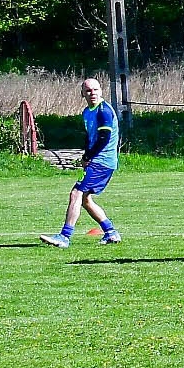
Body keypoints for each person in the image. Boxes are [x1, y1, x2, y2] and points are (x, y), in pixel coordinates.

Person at [41, 77, 121, 248]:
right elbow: (90, 136)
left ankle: (64, 237)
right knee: (85, 199)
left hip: (102, 161)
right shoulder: (87, 111)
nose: (92, 93)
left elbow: (104, 137)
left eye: (95, 90)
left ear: (101, 91)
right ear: (82, 93)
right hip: (97, 160)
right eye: (88, 90)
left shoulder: (104, 111)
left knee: (76, 193)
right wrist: (86, 155)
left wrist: (88, 156)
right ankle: (111, 232)